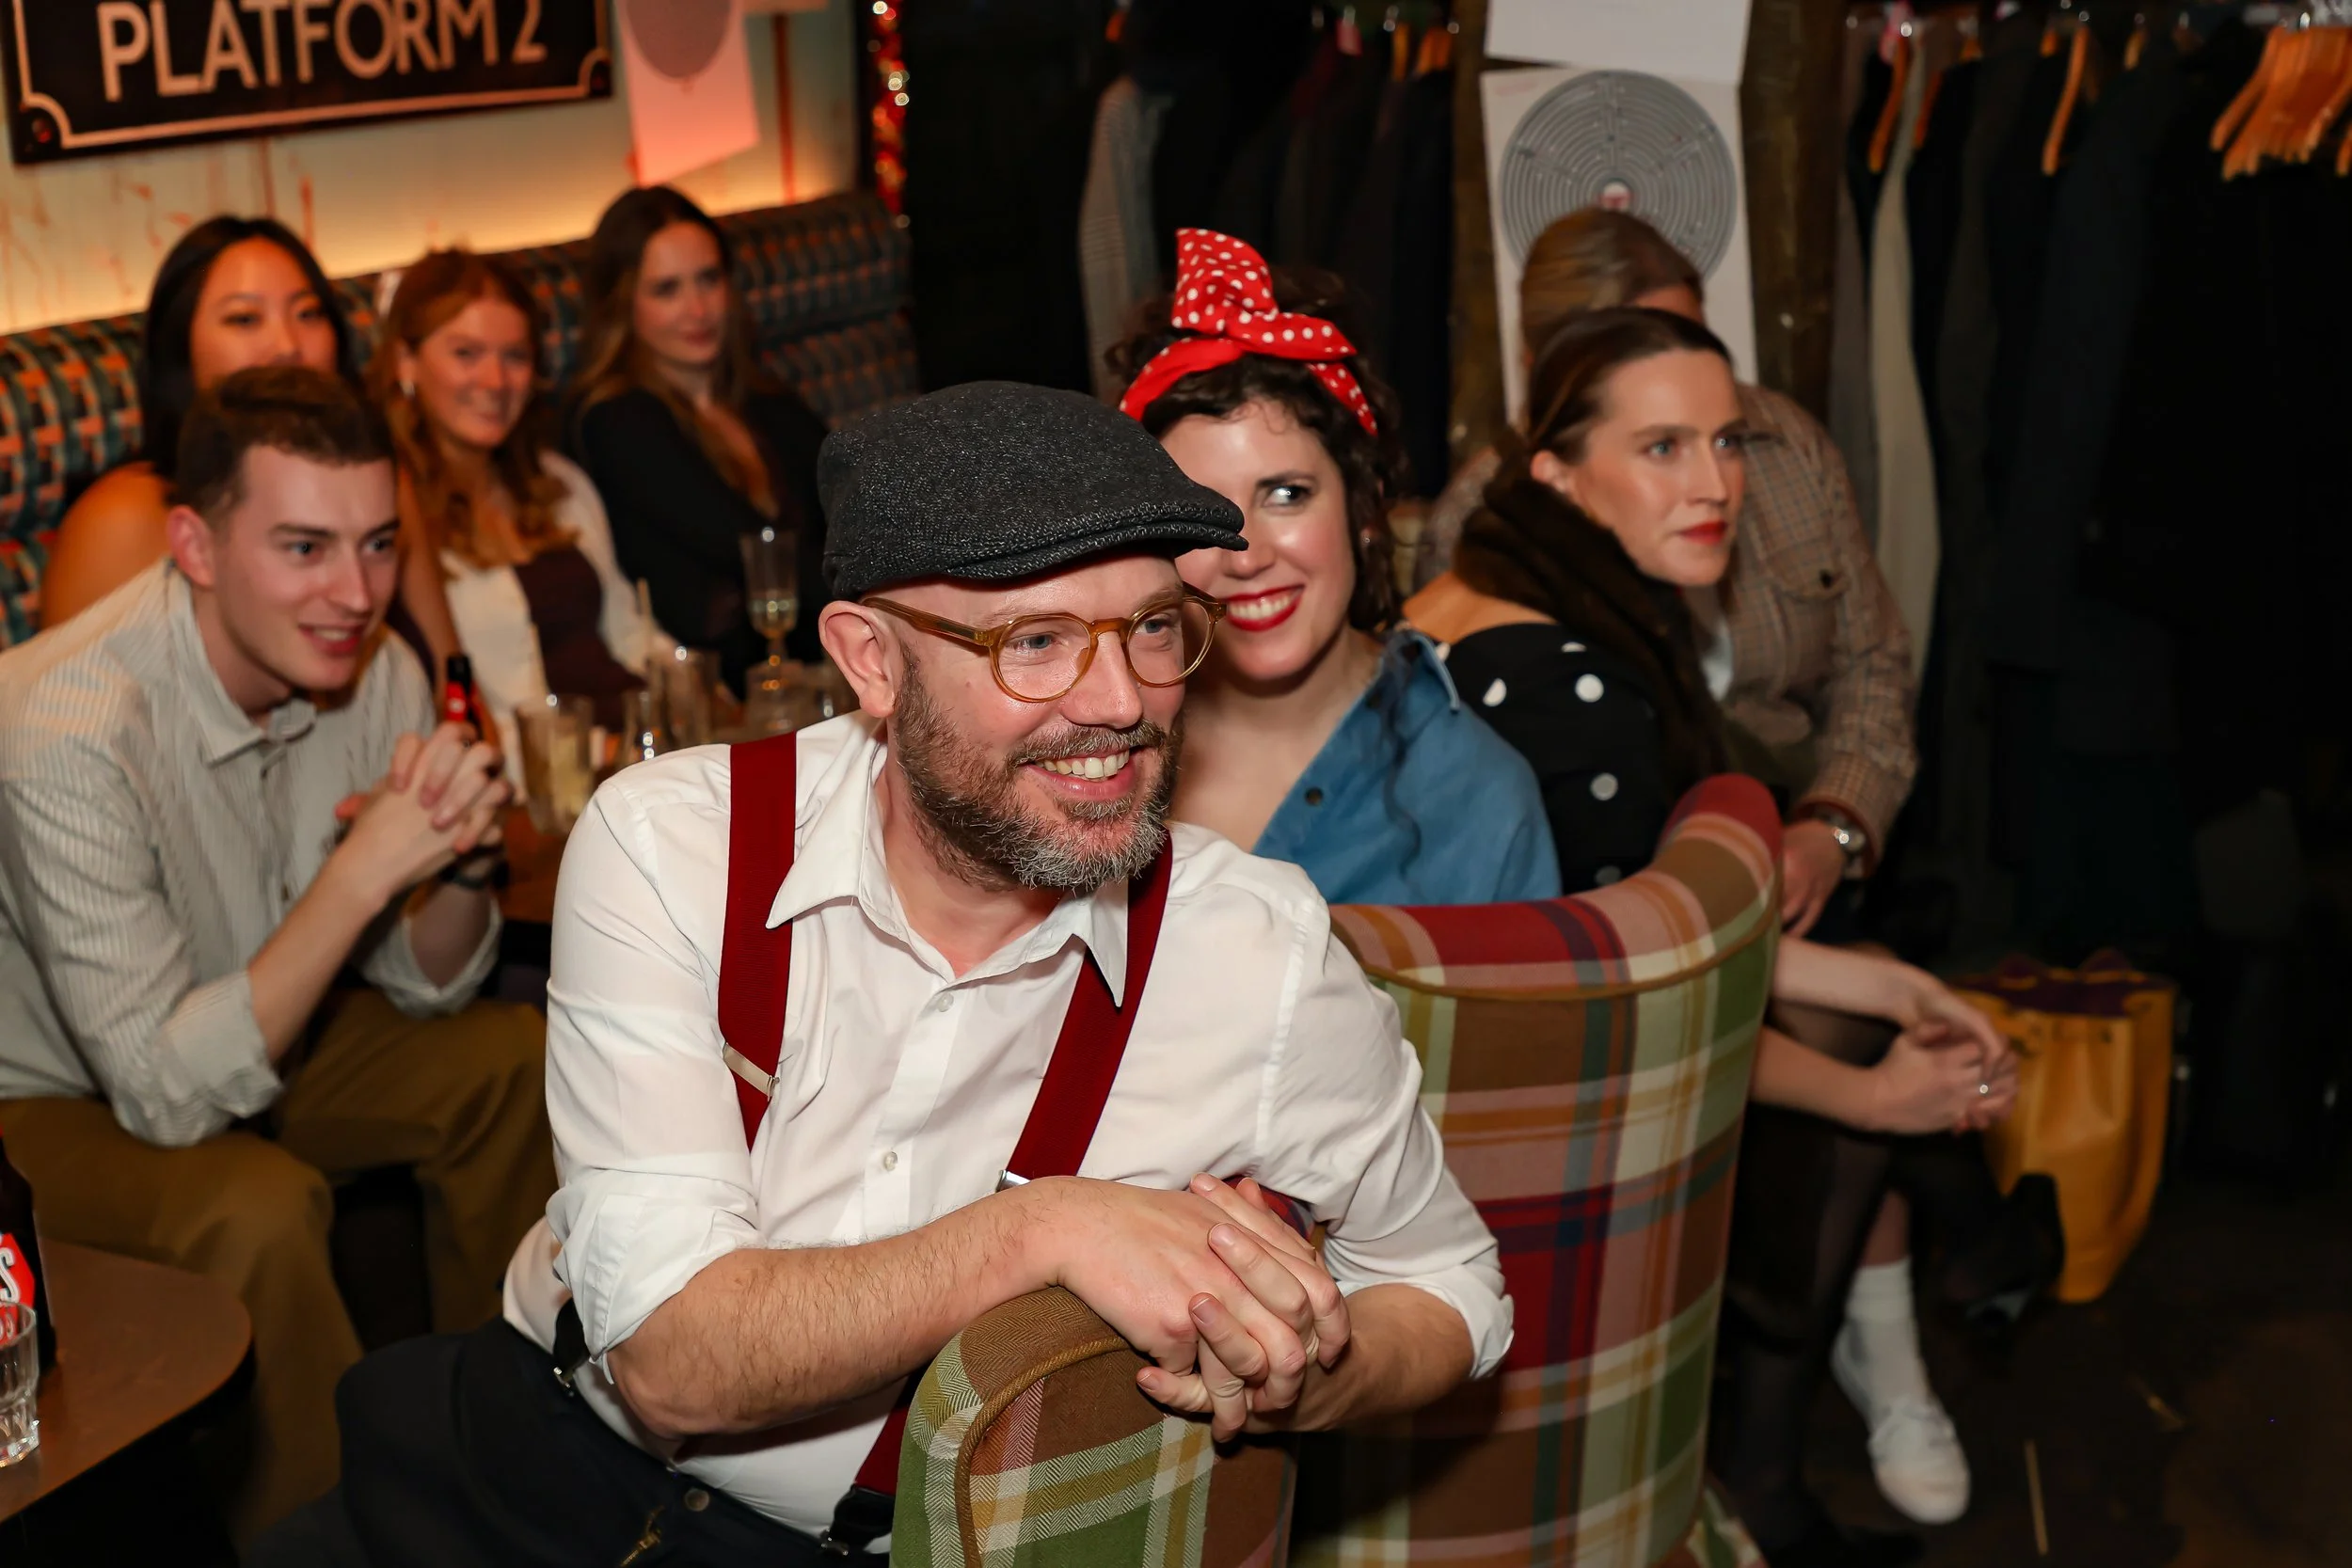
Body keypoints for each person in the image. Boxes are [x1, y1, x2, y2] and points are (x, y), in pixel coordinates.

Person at [267, 381, 1510, 1568]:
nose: (1122, 700)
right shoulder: (678, 844)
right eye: (1035, 639)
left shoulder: (1254, 950)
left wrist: (1312, 1372)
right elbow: (669, 1359)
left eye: (1150, 628)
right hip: (523, 1465)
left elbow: (1453, 1283)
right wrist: (1050, 1223)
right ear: (870, 659)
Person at [1406, 309, 2039, 1567]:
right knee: (1847, 1098)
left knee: (1864, 1004)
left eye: (1726, 440)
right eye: (1661, 447)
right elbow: (1638, 1012)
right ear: (1556, 472)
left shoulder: (1528, 587)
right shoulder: (1559, 680)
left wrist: (1897, 978)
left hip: (1502, 1030)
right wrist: (1874, 1097)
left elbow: (1662, 927)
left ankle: (1917, 1299)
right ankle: (1770, 1467)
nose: (1713, 483)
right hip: (1488, 1108)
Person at [0, 366, 553, 1539]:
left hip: (264, 1020)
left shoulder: (377, 667)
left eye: (378, 545)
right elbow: (161, 1091)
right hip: (54, 1094)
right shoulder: (64, 730)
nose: (353, 592)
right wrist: (362, 875)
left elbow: (425, 982)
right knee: (253, 1204)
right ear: (195, 546)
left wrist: (453, 857)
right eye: (304, 548)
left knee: (510, 1060)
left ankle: (529, 1438)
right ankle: (338, 1529)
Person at [1418, 209, 1915, 939]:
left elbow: (1872, 660)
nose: (1711, 479)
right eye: (1658, 438)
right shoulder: (1487, 539)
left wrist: (1832, 827)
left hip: (1795, 868)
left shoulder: (1788, 451)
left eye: (1690, 343)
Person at [1108, 230, 1556, 904]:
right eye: (1201, 514)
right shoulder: (1095, 742)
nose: (1249, 554)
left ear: (1365, 508)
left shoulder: (1475, 794)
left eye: (1286, 494)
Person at [370, 248, 669, 769]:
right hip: (545, 787)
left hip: (641, 753)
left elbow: (631, 632)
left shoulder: (557, 482)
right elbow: (450, 718)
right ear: (405, 362)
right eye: (466, 353)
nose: (495, 381)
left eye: (515, 356)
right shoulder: (388, 514)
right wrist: (598, 755)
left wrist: (695, 702)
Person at [565, 186, 831, 692]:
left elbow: (853, 494)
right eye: (666, 290)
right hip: (720, 692)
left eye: (708, 280)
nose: (697, 309)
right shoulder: (618, 421)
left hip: (820, 666)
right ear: (623, 305)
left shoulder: (761, 398)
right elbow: (750, 549)